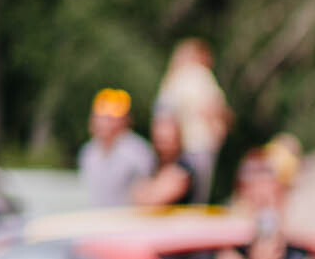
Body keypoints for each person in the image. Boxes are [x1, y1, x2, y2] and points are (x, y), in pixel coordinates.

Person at [154, 40, 231, 202]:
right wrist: (218, 132)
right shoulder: (198, 75)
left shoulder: (173, 79)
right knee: (196, 196)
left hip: (176, 148)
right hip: (198, 144)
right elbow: (212, 107)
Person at [77, 89, 155, 207]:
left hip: (127, 216)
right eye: (102, 117)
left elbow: (146, 192)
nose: (105, 123)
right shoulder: (88, 152)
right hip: (97, 216)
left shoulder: (138, 152)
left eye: (111, 118)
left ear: (125, 120)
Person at [131, 115, 194, 207]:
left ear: (178, 140)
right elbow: (136, 196)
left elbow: (150, 201)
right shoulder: (154, 166)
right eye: (159, 140)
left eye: (168, 141)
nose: (163, 147)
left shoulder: (183, 171)